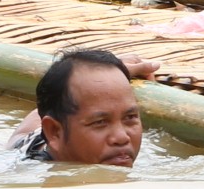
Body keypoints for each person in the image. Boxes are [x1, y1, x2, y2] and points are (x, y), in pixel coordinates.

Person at [15, 47, 150, 166]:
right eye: (100, 122)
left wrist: (109, 77)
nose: (122, 138)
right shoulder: (29, 176)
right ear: (55, 132)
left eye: (130, 117)